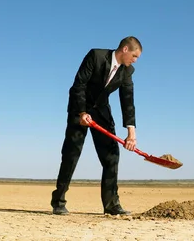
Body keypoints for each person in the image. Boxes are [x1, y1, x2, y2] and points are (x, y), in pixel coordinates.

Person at [50, 36, 142, 216]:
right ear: (125, 49)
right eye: (134, 56)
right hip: (80, 107)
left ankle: (111, 205)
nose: (135, 60)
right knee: (71, 154)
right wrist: (81, 113)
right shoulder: (96, 56)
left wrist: (131, 132)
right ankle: (58, 201)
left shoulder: (127, 71)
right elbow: (79, 85)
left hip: (101, 111)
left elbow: (128, 100)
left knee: (112, 156)